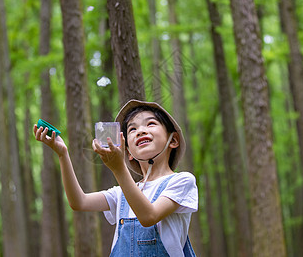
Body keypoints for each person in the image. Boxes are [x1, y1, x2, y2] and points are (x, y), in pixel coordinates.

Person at [34, 100, 198, 256]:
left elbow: (149, 217)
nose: (140, 131)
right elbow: (79, 202)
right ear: (128, 153)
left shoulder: (182, 181)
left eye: (151, 124)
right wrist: (63, 154)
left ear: (173, 140)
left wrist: (119, 169)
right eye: (132, 129)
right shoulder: (121, 193)